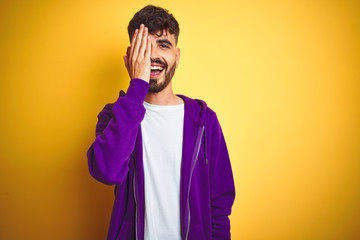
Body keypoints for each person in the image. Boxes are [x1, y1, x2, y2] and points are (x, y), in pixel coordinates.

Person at [87, 5, 235, 240]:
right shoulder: (114, 116)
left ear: (176, 56)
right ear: (130, 56)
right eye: (144, 46)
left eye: (163, 45)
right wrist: (137, 86)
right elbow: (107, 172)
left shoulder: (204, 120)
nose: (153, 56)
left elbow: (219, 204)